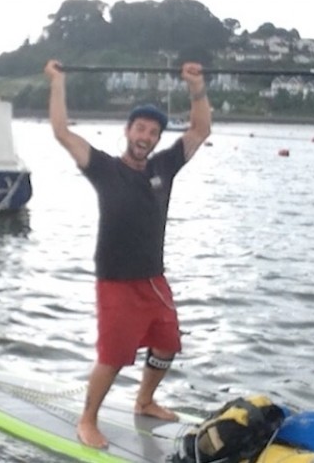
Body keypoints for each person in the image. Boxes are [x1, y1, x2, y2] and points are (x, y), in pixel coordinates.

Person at [44, 58, 212, 448]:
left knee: (168, 344)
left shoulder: (164, 167)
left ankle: (145, 399)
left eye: (153, 132)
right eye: (140, 128)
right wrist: (57, 82)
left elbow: (201, 129)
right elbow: (60, 131)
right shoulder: (103, 168)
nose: (146, 136)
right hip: (116, 280)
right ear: (128, 131)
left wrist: (197, 87)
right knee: (114, 356)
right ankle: (87, 419)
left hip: (153, 279)